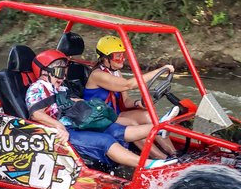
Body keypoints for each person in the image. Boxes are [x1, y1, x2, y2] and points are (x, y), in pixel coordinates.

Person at [25, 49, 177, 169]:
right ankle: (147, 164)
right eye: (59, 73)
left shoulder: (60, 87)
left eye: (65, 73)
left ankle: (159, 128)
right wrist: (59, 127)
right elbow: (36, 113)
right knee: (106, 140)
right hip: (63, 131)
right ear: (44, 72)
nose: (63, 77)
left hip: (76, 123)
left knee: (114, 129)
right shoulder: (37, 88)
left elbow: (70, 103)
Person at [84, 36, 179, 159]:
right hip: (100, 117)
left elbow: (125, 101)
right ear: (105, 59)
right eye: (117, 56)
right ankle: (162, 158)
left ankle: (174, 154)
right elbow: (128, 85)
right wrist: (160, 70)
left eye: (122, 55)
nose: (122, 59)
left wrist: (137, 103)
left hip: (114, 114)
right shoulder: (97, 75)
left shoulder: (116, 72)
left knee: (148, 114)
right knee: (132, 124)